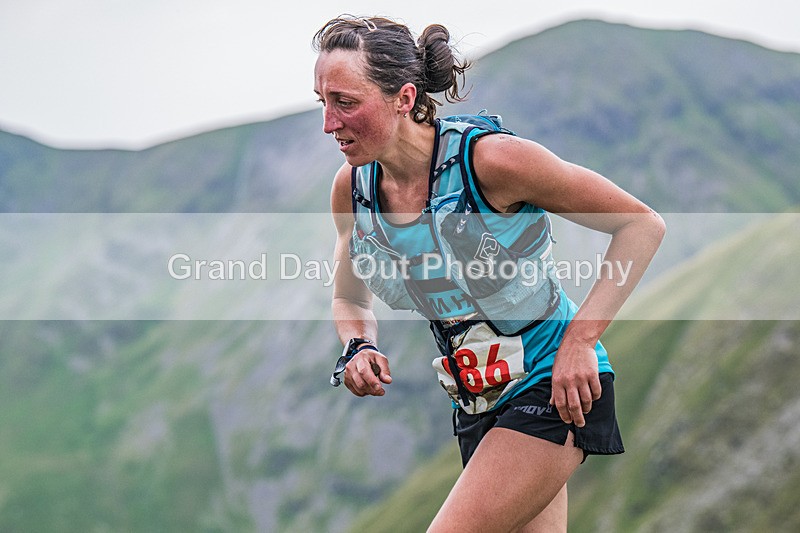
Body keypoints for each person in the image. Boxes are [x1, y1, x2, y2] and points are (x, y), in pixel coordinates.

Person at [314, 15, 665, 532]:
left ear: (403, 98)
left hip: (553, 387)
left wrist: (581, 341)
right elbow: (350, 299)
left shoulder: (491, 162)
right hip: (476, 406)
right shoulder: (353, 190)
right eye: (321, 102)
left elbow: (641, 226)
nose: (328, 123)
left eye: (346, 102)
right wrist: (357, 347)